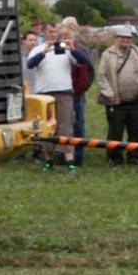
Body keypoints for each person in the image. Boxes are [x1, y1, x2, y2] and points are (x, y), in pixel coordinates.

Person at [25, 28, 91, 175]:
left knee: (66, 127)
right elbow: (30, 64)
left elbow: (84, 61)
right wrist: (44, 52)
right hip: (44, 94)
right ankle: (48, 160)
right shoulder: (39, 49)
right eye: (50, 32)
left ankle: (70, 162)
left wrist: (72, 49)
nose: (53, 34)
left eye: (55, 32)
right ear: (45, 34)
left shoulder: (65, 49)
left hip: (64, 93)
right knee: (48, 130)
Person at [96, 25, 138, 167]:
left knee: (136, 131)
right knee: (115, 131)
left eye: (128, 38)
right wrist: (109, 93)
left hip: (136, 99)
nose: (125, 40)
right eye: (122, 37)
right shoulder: (107, 54)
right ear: (116, 39)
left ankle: (134, 157)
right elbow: (101, 76)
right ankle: (115, 158)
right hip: (116, 101)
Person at [62, 18, 95, 167]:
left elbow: (89, 71)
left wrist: (79, 90)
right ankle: (61, 154)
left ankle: (79, 155)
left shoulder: (81, 50)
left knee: (78, 124)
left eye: (73, 27)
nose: (71, 30)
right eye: (68, 27)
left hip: (76, 93)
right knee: (62, 124)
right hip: (61, 93)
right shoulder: (57, 48)